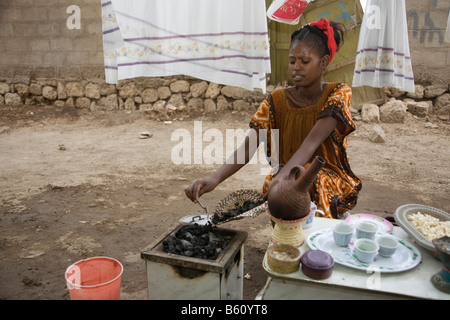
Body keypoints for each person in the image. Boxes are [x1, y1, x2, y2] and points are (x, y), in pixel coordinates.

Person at [185, 19, 361, 219]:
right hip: (286, 176)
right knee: (275, 181)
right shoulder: (275, 101)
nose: (296, 67)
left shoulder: (338, 93)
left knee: (309, 181)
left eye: (304, 61)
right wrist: (214, 179)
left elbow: (312, 142)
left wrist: (284, 177)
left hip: (326, 177)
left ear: (323, 62)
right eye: (292, 61)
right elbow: (248, 147)